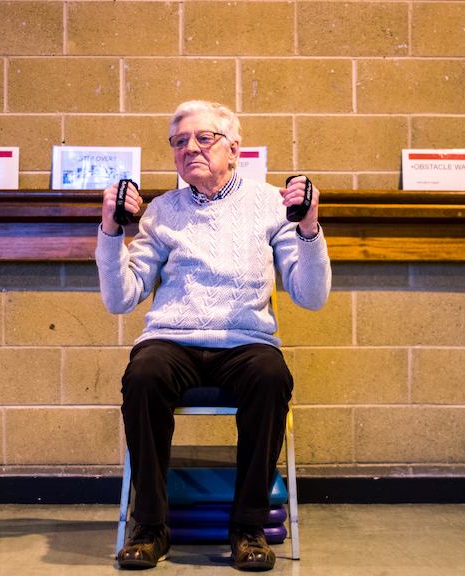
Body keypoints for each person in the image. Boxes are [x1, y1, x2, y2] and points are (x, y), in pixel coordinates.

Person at [95, 100, 331, 571]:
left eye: (203, 138)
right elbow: (121, 298)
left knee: (270, 377)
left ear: (234, 150)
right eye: (179, 141)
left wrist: (308, 227)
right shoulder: (162, 211)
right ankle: (150, 527)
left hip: (244, 340)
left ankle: (247, 528)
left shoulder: (271, 204)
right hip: (173, 339)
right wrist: (109, 229)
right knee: (143, 375)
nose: (189, 148)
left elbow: (311, 295)